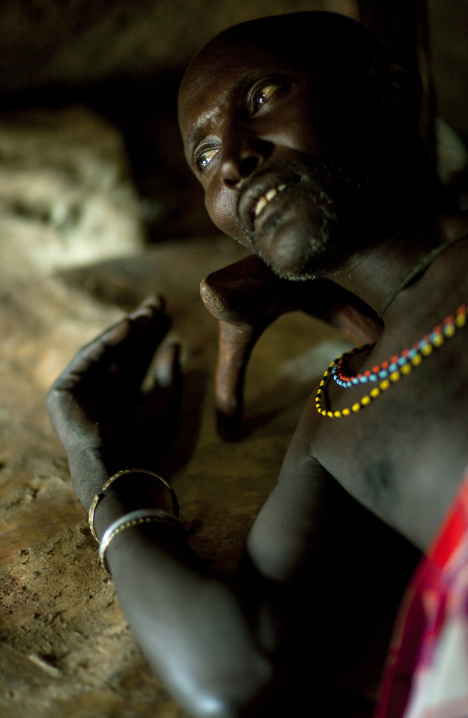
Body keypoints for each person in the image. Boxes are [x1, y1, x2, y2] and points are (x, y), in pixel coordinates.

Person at [47, 11, 468, 717]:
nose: (235, 160)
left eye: (263, 99)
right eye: (204, 157)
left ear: (388, 87)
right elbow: (236, 672)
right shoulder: (345, 407)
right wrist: (103, 469)